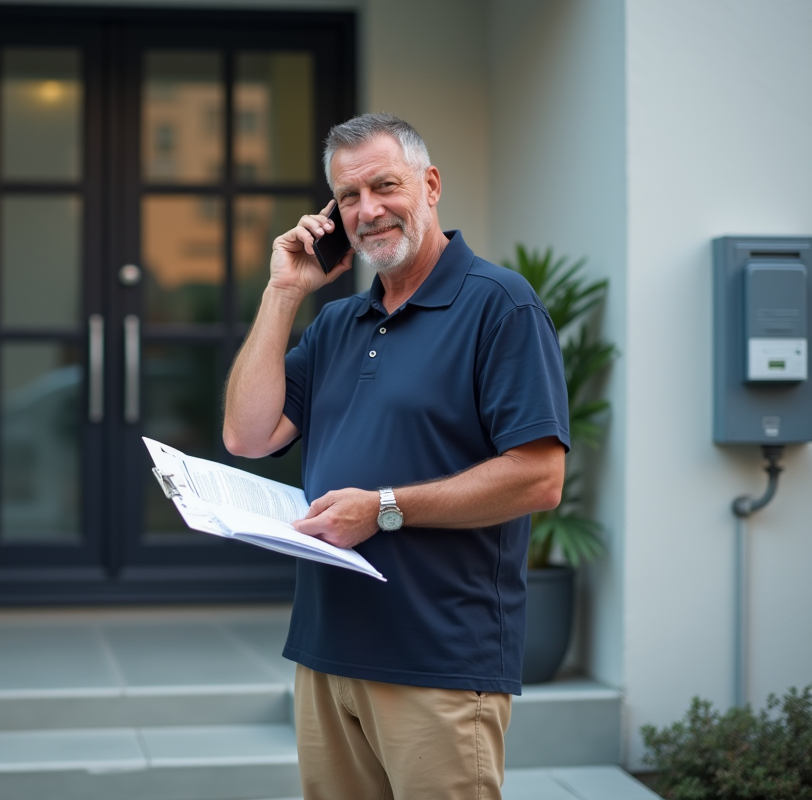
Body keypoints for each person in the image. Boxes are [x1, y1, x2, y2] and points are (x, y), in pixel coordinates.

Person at [222, 112, 570, 800]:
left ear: (430, 185)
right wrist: (283, 291)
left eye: (385, 186)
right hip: (326, 653)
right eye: (348, 197)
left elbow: (539, 477)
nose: (368, 210)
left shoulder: (500, 306)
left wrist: (383, 509)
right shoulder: (337, 324)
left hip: (438, 659)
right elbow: (247, 436)